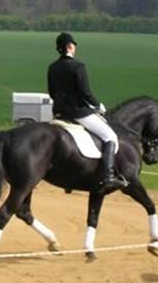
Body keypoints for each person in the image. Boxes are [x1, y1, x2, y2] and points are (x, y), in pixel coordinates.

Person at [47, 32, 127, 190]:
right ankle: (108, 176)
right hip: (78, 113)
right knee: (110, 136)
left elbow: (51, 92)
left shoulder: (53, 67)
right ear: (70, 46)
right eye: (74, 45)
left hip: (59, 113)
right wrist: (97, 106)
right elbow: (85, 93)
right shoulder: (78, 66)